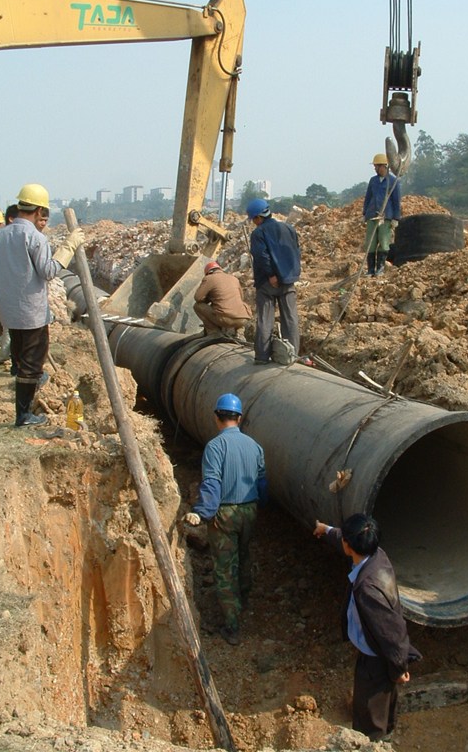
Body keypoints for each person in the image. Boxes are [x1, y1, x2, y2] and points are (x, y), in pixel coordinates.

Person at [313, 513, 421, 741]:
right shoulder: (377, 556)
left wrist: (399, 668)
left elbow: (393, 633)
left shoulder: (368, 588)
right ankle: (386, 734)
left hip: (376, 660)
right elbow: (347, 537)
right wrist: (326, 530)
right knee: (383, 703)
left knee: (368, 715)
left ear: (349, 546)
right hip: (376, 654)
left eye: (344, 539)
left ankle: (374, 742)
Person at [0, 183, 84, 427]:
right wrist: (68, 247)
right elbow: (49, 271)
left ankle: (27, 399)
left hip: (10, 311)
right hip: (31, 312)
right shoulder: (34, 237)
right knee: (31, 364)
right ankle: (23, 416)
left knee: (20, 359)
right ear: (40, 210)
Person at [184, 393, 267, 645]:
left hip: (225, 514)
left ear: (216, 417)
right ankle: (244, 598)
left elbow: (211, 484)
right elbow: (262, 483)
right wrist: (259, 505)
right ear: (239, 418)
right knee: (244, 555)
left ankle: (232, 625)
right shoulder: (255, 446)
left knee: (224, 568)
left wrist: (201, 513)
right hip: (249, 510)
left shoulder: (215, 447)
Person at [246, 198, 301, 364]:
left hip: (267, 283)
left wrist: (271, 275)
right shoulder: (288, 228)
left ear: (257, 218)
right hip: (288, 280)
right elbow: (296, 252)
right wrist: (288, 274)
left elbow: (262, 256)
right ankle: (293, 355)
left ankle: (262, 357)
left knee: (265, 319)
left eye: (253, 220)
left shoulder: (258, 233)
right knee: (290, 318)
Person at [362, 153, 401, 277]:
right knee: (371, 244)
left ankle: (380, 268)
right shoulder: (373, 181)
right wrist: (365, 213)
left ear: (384, 166)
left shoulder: (393, 181)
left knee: (384, 243)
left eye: (376, 166)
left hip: (385, 217)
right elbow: (368, 198)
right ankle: (370, 270)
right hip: (372, 215)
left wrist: (396, 217)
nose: (375, 168)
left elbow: (396, 201)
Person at [193, 261, 252, 337]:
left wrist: (209, 299)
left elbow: (198, 298)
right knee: (239, 304)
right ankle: (240, 333)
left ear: (209, 272)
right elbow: (241, 298)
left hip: (225, 319)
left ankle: (213, 332)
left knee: (197, 306)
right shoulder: (234, 279)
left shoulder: (209, 278)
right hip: (243, 319)